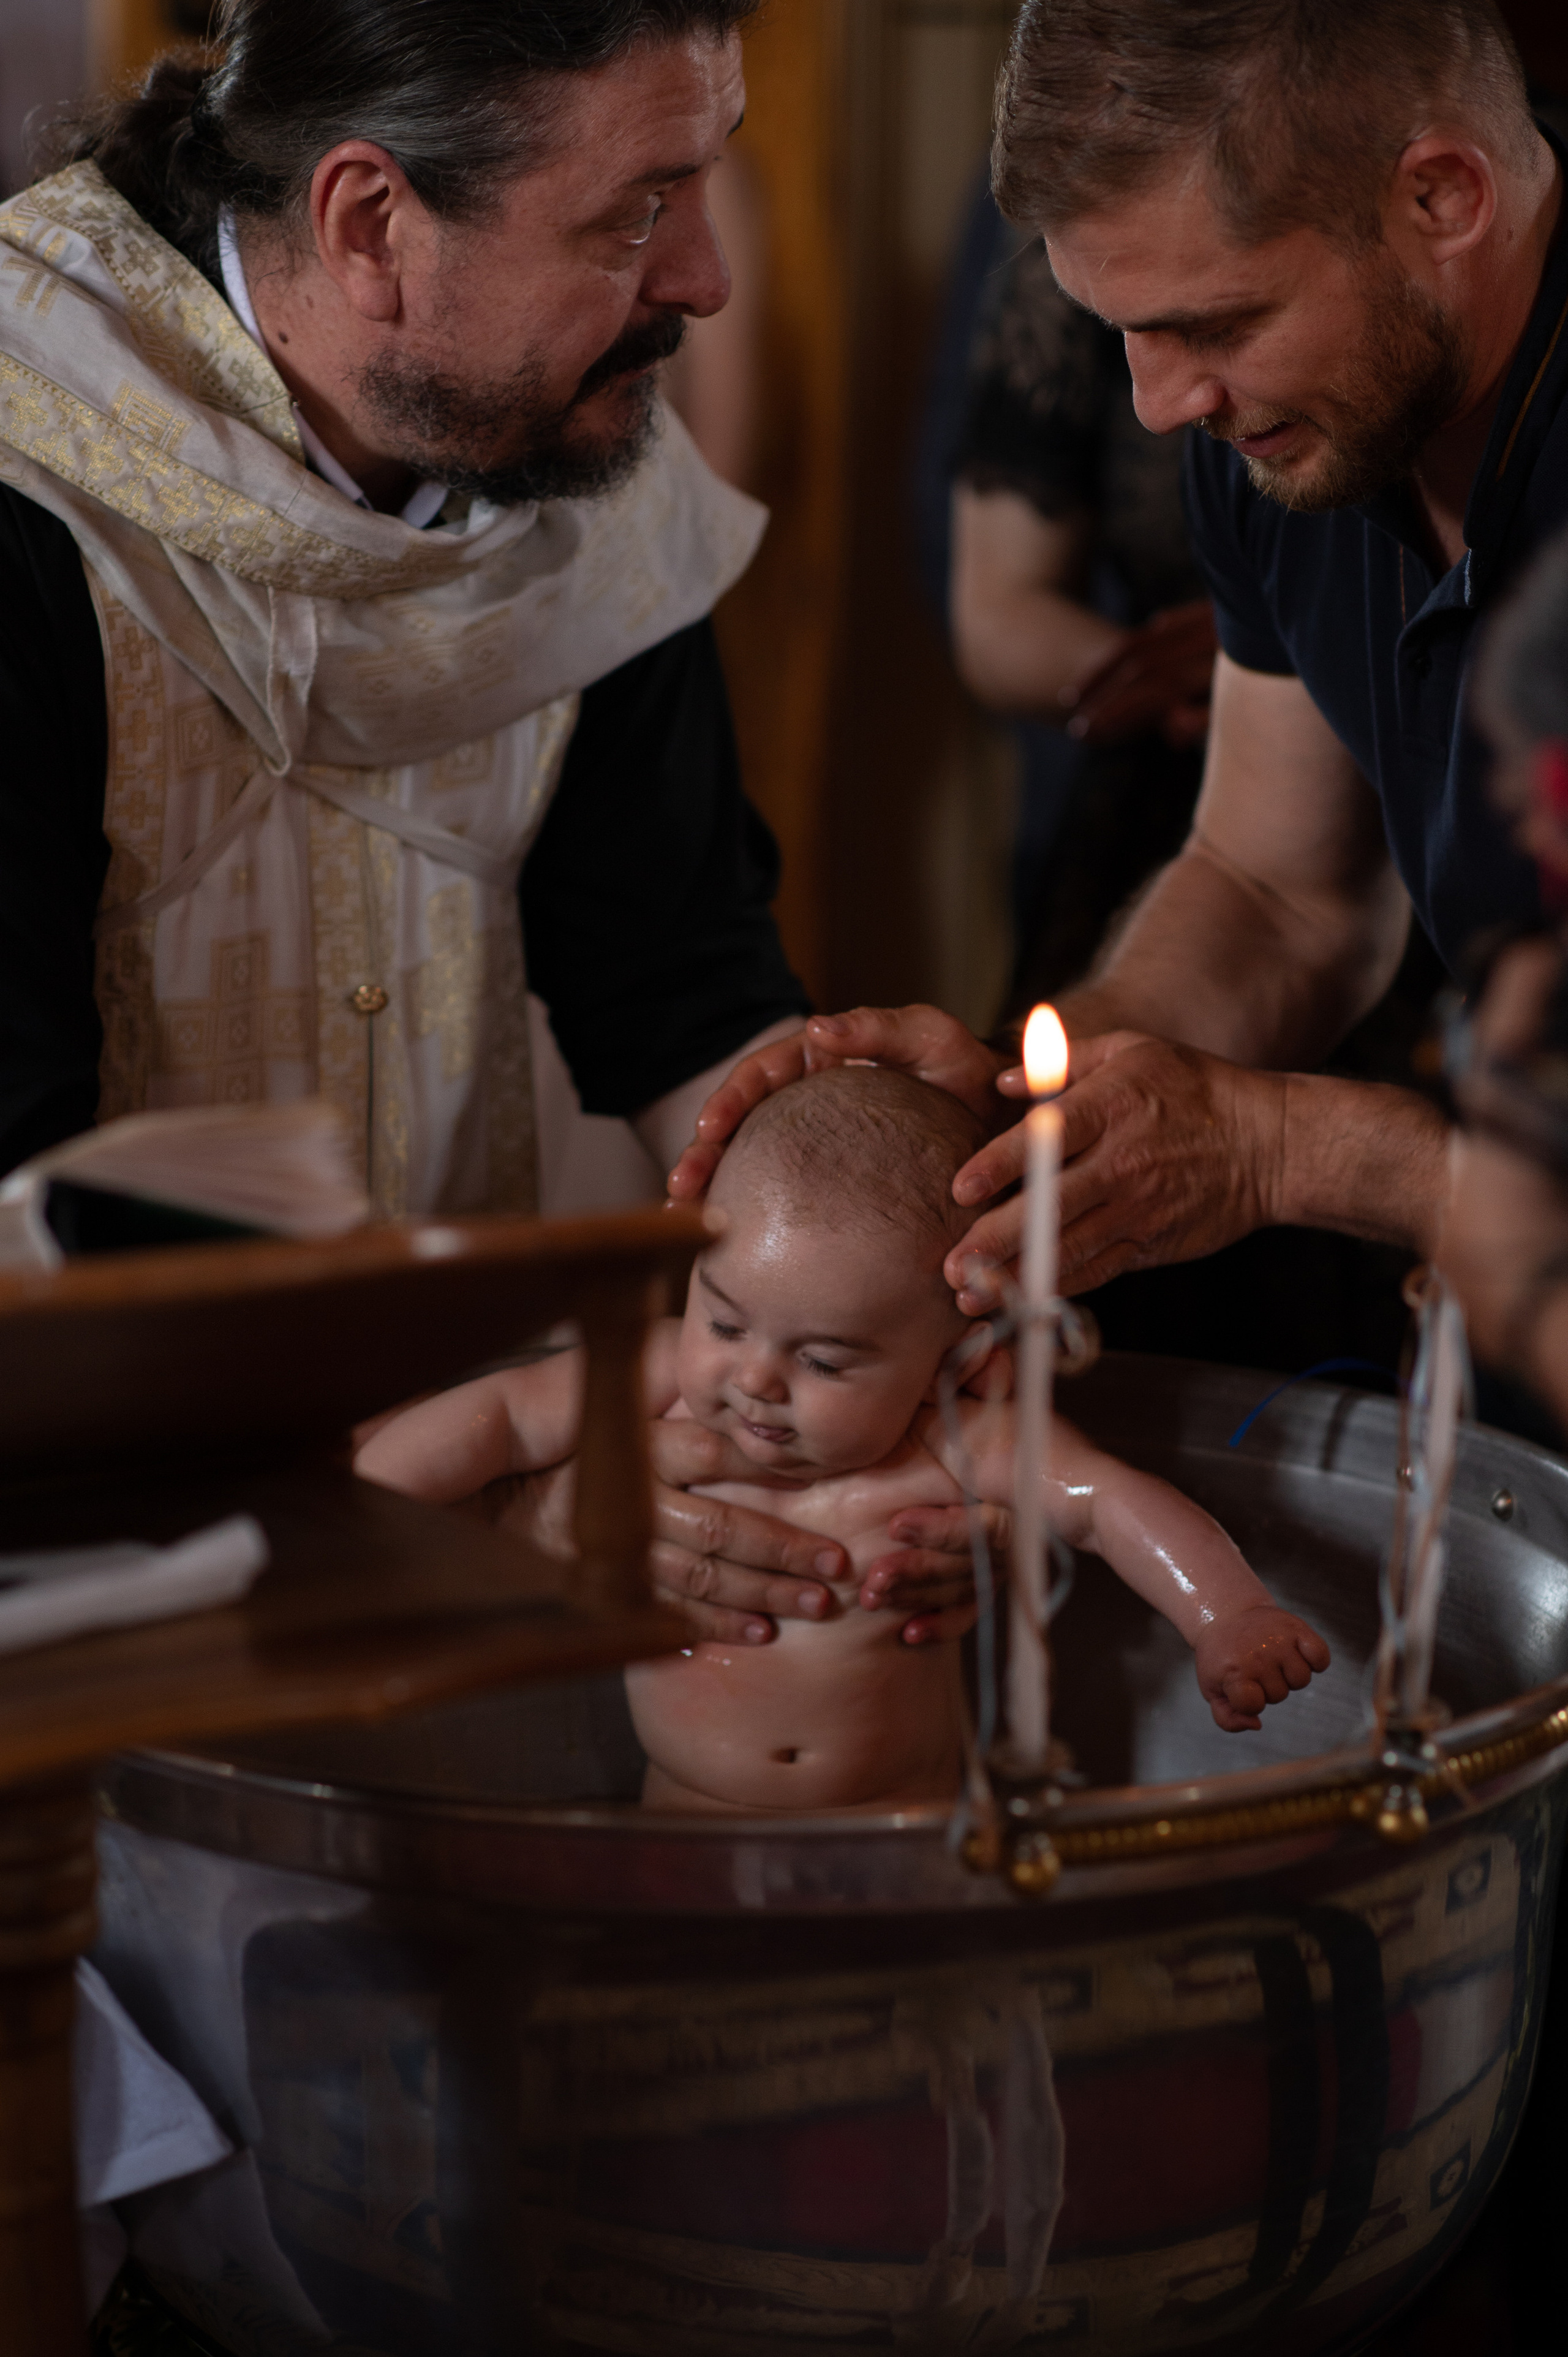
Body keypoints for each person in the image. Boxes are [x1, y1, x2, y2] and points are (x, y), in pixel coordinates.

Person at [0, 0, 987, 1645]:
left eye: (705, 184)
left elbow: (680, 983)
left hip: (466, 1458)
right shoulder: (27, 485)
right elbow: (16, 1175)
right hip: (84, 1545)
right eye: (636, 212)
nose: (705, 281)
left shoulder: (572, 452)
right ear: (370, 225)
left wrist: (893, 1310)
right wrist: (465, 1504)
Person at [670, 0, 1566, 1341]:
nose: (1160, 407)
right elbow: (1277, 894)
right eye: (1122, 334)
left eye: (1218, 323)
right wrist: (1021, 1094)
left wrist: (1283, 1151)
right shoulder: (1288, 428)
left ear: (1441, 196)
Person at [358, 1066, 1331, 1812]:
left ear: (955, 1356)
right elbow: (499, 1416)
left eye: (823, 1361)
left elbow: (1107, 1502)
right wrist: (348, 1506)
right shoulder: (649, 1379)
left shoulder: (953, 1438)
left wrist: (1226, 1614)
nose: (755, 1379)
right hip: (690, 1824)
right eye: (723, 1321)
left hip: (901, 1834)